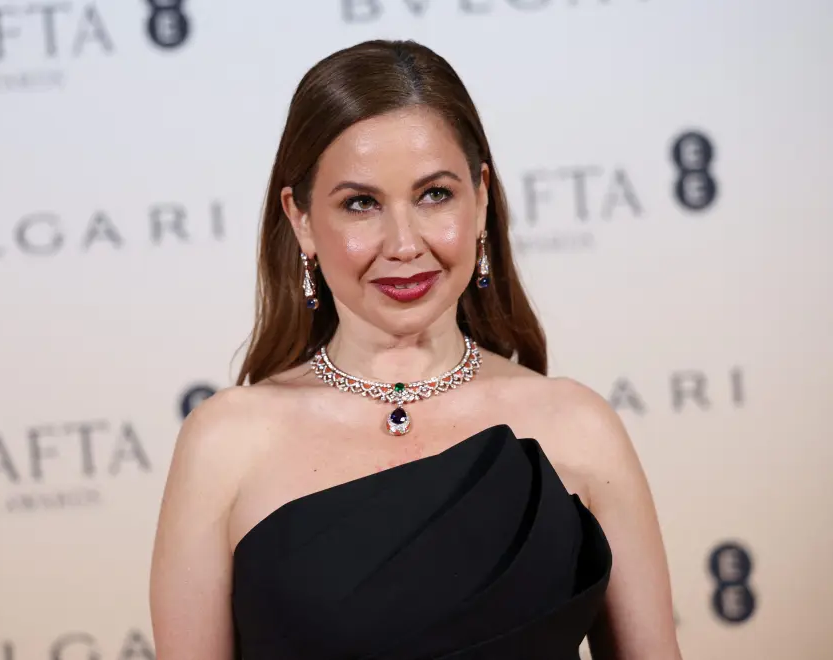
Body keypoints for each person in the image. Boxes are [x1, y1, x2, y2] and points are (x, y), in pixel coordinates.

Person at [150, 39, 682, 660]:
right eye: (361, 204)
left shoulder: (580, 429)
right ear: (300, 220)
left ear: (481, 198)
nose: (404, 244)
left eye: (434, 195)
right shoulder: (225, 445)